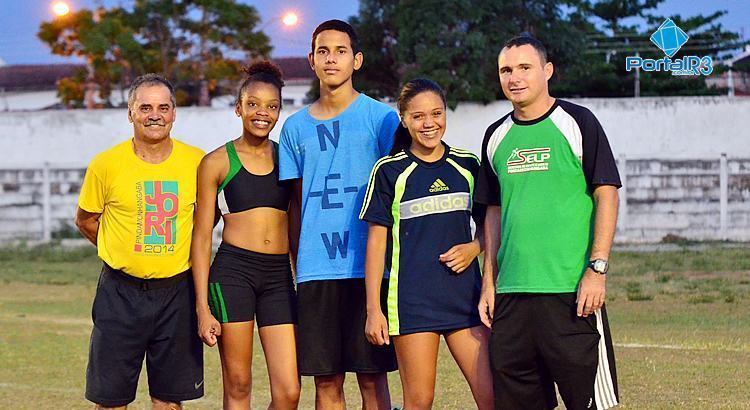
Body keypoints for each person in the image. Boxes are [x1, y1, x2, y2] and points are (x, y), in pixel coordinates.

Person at [474, 35, 622, 410]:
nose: (514, 77)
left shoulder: (577, 122)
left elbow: (607, 193)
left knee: (589, 403)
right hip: (511, 298)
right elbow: (492, 211)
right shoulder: (495, 136)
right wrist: (489, 282)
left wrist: (597, 270)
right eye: (506, 70)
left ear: (547, 71)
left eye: (525, 67)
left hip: (571, 294)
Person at [278, 19, 400, 410]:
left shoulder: (381, 119)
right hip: (317, 270)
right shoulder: (294, 128)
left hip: (368, 269)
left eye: (341, 51)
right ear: (311, 60)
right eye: (323, 51)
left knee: (371, 378)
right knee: (326, 381)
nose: (332, 59)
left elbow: (395, 190)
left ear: (357, 60)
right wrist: (299, 263)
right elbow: (296, 203)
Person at [360, 79, 494, 410]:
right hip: (411, 303)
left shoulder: (467, 165)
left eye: (436, 113)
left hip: (465, 299)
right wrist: (373, 311)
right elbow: (375, 246)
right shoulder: (389, 171)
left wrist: (475, 248)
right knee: (419, 400)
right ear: (404, 119)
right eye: (418, 116)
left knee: (492, 397)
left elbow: (491, 225)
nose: (429, 123)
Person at [76, 73, 205, 409]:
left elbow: (208, 222)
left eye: (164, 107)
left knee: (168, 400)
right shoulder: (106, 164)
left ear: (174, 113)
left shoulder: (197, 163)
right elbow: (86, 219)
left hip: (177, 293)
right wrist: (120, 252)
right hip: (119, 293)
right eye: (145, 107)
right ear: (130, 112)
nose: (155, 114)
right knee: (111, 399)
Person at [190, 61, 300, 409]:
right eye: (253, 104)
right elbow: (201, 239)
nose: (261, 113)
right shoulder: (216, 162)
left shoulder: (289, 160)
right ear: (239, 108)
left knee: (289, 392)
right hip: (233, 273)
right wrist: (202, 308)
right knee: (238, 386)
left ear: (279, 112)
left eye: (271, 106)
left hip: (278, 277)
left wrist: (304, 281)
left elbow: (297, 224)